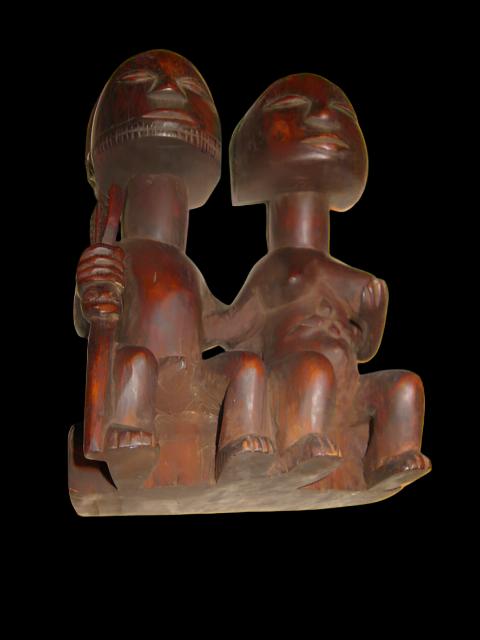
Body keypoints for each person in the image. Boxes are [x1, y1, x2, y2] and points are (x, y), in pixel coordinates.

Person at [208, 73, 431, 490]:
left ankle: (388, 457)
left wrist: (374, 317)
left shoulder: (345, 278)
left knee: (404, 386)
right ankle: (297, 447)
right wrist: (195, 314)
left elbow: (364, 349)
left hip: (347, 394)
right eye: (294, 108)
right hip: (292, 387)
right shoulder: (274, 270)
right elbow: (233, 327)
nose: (325, 116)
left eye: (339, 110)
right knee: (312, 370)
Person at [74, 50, 273, 486]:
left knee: (248, 369)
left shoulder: (188, 271)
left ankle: (241, 447)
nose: (167, 90)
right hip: (144, 386)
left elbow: (216, 325)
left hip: (193, 383)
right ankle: (129, 444)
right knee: (135, 363)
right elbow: (90, 316)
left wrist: (254, 314)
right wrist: (92, 283)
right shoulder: (121, 255)